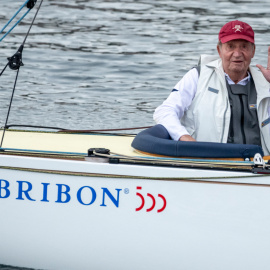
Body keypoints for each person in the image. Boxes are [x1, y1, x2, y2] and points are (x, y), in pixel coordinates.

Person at [153, 20, 270, 155]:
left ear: (253, 51)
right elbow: (164, 111)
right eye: (230, 46)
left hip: (261, 167)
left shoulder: (266, 82)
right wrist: (184, 138)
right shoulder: (197, 76)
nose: (237, 54)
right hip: (209, 164)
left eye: (244, 47)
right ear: (219, 50)